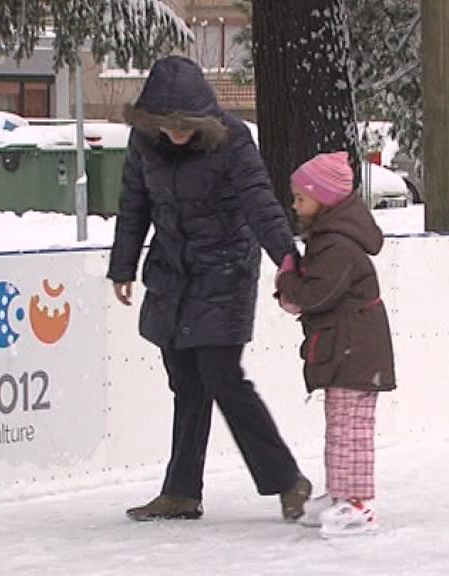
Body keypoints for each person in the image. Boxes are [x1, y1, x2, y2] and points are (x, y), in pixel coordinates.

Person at [107, 56, 311, 522]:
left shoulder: (233, 140)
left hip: (224, 272)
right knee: (186, 381)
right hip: (172, 274)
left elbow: (260, 202)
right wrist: (124, 267)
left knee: (222, 377)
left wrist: (287, 263)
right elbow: (133, 205)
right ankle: (181, 492)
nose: (177, 134)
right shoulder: (144, 143)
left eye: (186, 125)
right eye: (168, 125)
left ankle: (286, 480)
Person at [274, 151, 397, 537]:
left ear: (324, 199)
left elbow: (316, 295)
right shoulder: (328, 239)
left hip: (357, 349)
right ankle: (340, 494)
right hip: (345, 346)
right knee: (337, 427)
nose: (295, 205)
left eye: (301, 198)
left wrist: (287, 282)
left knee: (352, 430)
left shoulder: (338, 245)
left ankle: (358, 503)